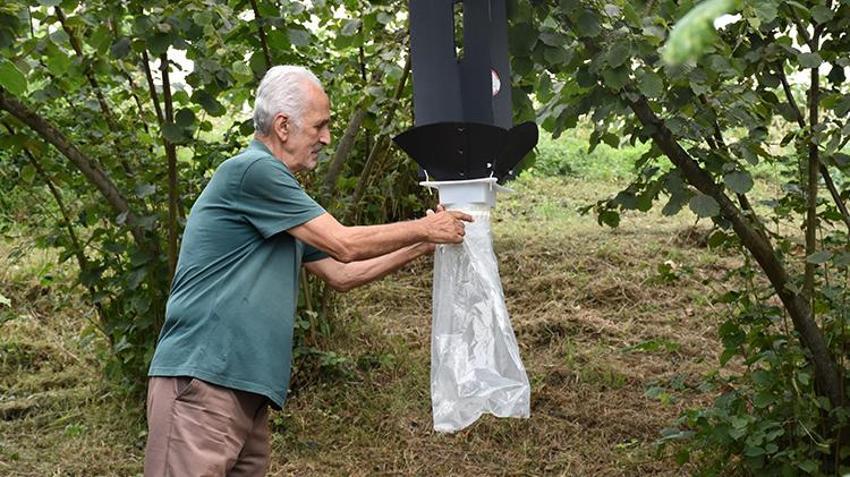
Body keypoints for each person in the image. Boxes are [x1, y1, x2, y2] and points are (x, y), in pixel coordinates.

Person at [143, 65, 472, 476]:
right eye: (320, 125)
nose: (327, 138)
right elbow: (345, 244)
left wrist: (422, 244)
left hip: (243, 394)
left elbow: (341, 274)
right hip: (203, 381)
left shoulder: (281, 202)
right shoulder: (253, 171)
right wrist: (424, 226)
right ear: (283, 125)